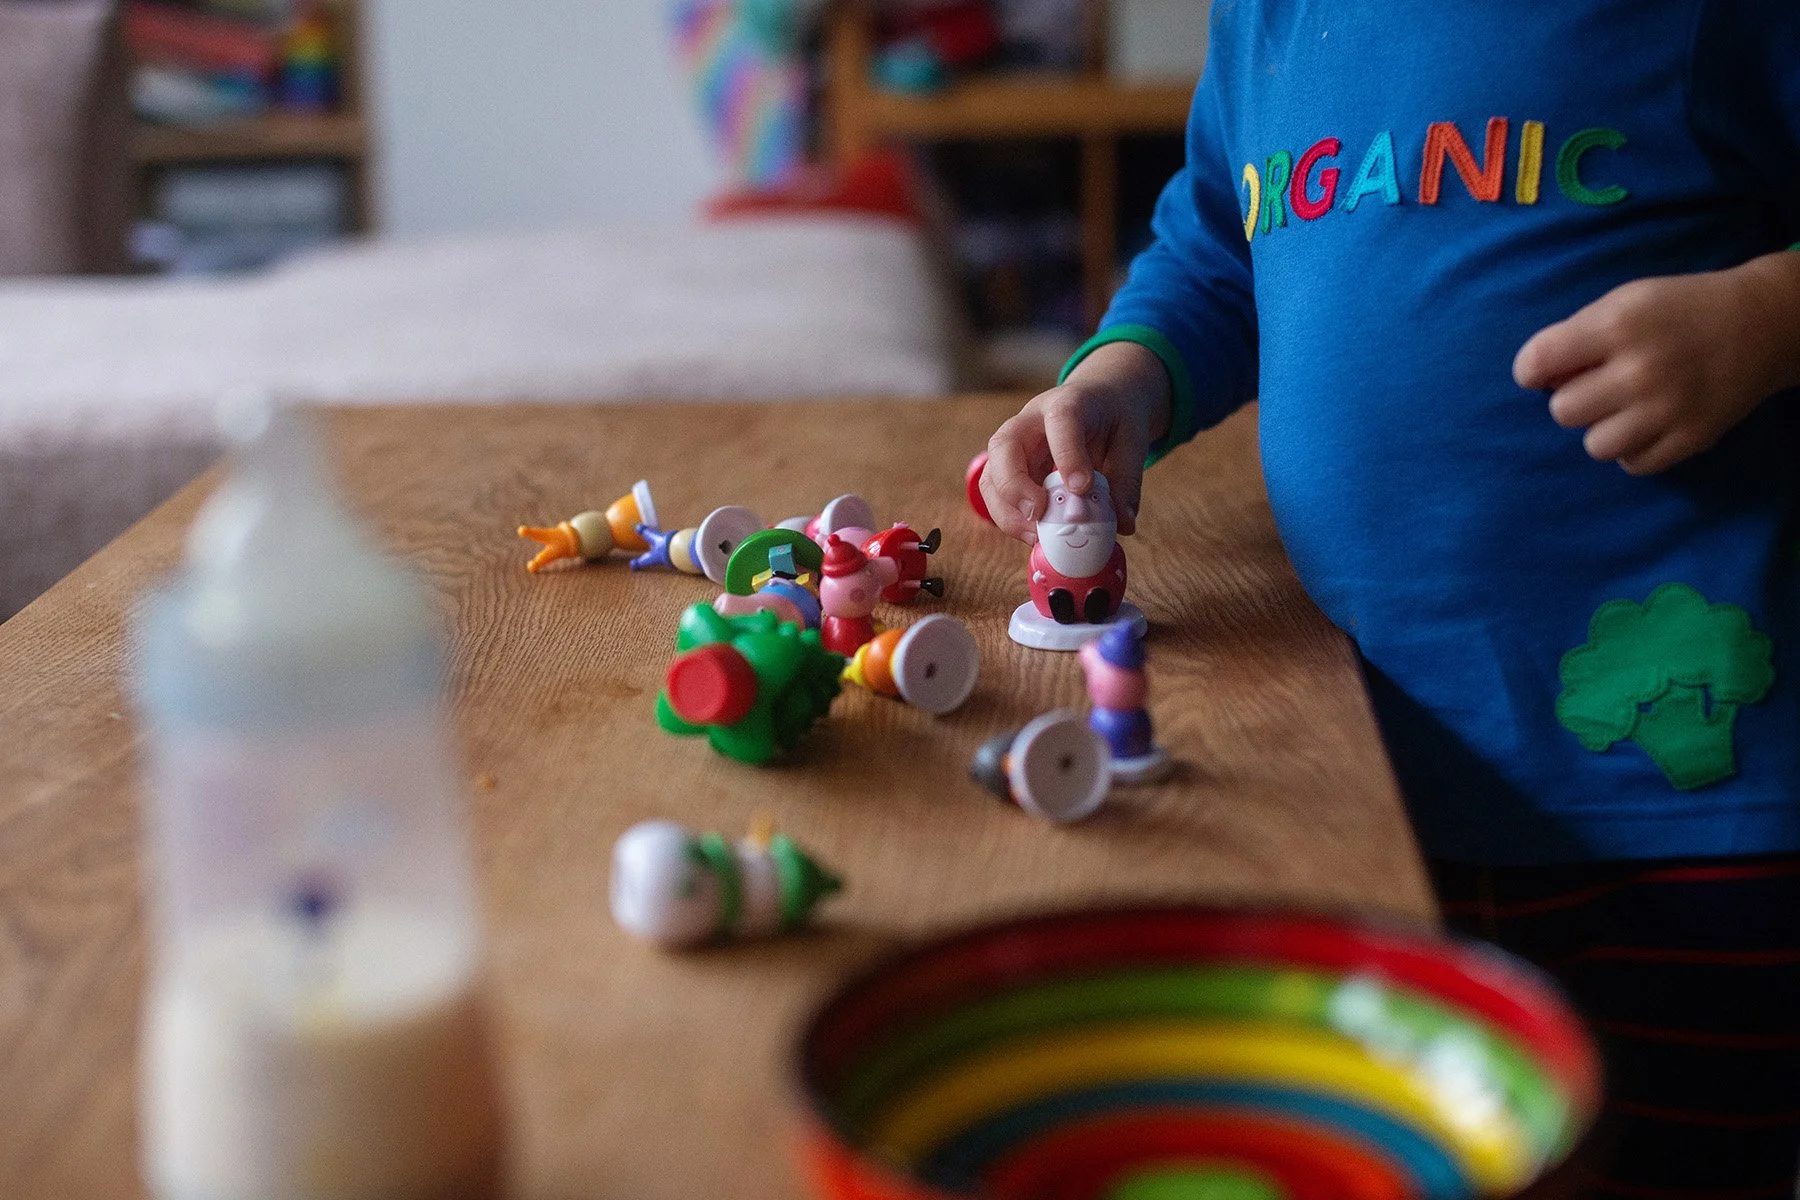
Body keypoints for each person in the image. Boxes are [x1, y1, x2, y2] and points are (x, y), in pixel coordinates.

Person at [978, 2, 1800, 1194]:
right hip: (1368, 778)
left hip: (1685, 807)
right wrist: (1123, 381)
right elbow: (1219, 251)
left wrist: (1764, 321)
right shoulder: (1267, 16)